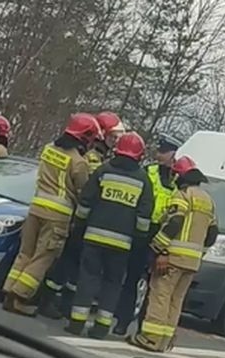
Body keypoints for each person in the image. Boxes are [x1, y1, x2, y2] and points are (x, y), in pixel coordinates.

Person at [1, 113, 100, 316]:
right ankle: (20, 297)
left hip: (35, 207)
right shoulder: (78, 162)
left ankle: (9, 290)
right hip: (58, 215)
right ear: (84, 137)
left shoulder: (47, 149)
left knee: (25, 252)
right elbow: (83, 191)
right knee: (43, 256)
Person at [66, 132, 153, 339]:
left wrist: (79, 226)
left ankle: (76, 323)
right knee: (112, 284)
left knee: (87, 278)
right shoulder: (143, 180)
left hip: (93, 238)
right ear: (139, 155)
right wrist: (138, 241)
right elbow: (144, 216)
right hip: (122, 245)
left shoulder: (103, 171)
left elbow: (85, 202)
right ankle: (101, 328)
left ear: (117, 150)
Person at [40, 110, 126, 319]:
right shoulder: (92, 158)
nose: (115, 142)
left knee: (77, 267)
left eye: (117, 138)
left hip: (88, 221)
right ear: (101, 134)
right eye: (112, 137)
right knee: (67, 263)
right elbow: (88, 189)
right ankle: (46, 299)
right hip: (78, 219)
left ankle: (65, 304)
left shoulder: (102, 157)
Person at [130, 156, 218, 352]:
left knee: (161, 296)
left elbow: (174, 222)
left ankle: (150, 339)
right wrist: (198, 251)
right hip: (192, 262)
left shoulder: (182, 195)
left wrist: (158, 249)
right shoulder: (208, 201)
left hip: (172, 257)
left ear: (180, 175)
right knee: (176, 300)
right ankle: (164, 341)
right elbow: (212, 235)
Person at [112, 134, 182, 336]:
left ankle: (145, 325)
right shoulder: (147, 171)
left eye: (164, 152)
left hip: (162, 234)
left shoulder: (178, 180)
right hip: (141, 231)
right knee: (131, 279)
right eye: (158, 151)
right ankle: (122, 321)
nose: (159, 155)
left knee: (155, 285)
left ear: (174, 154)